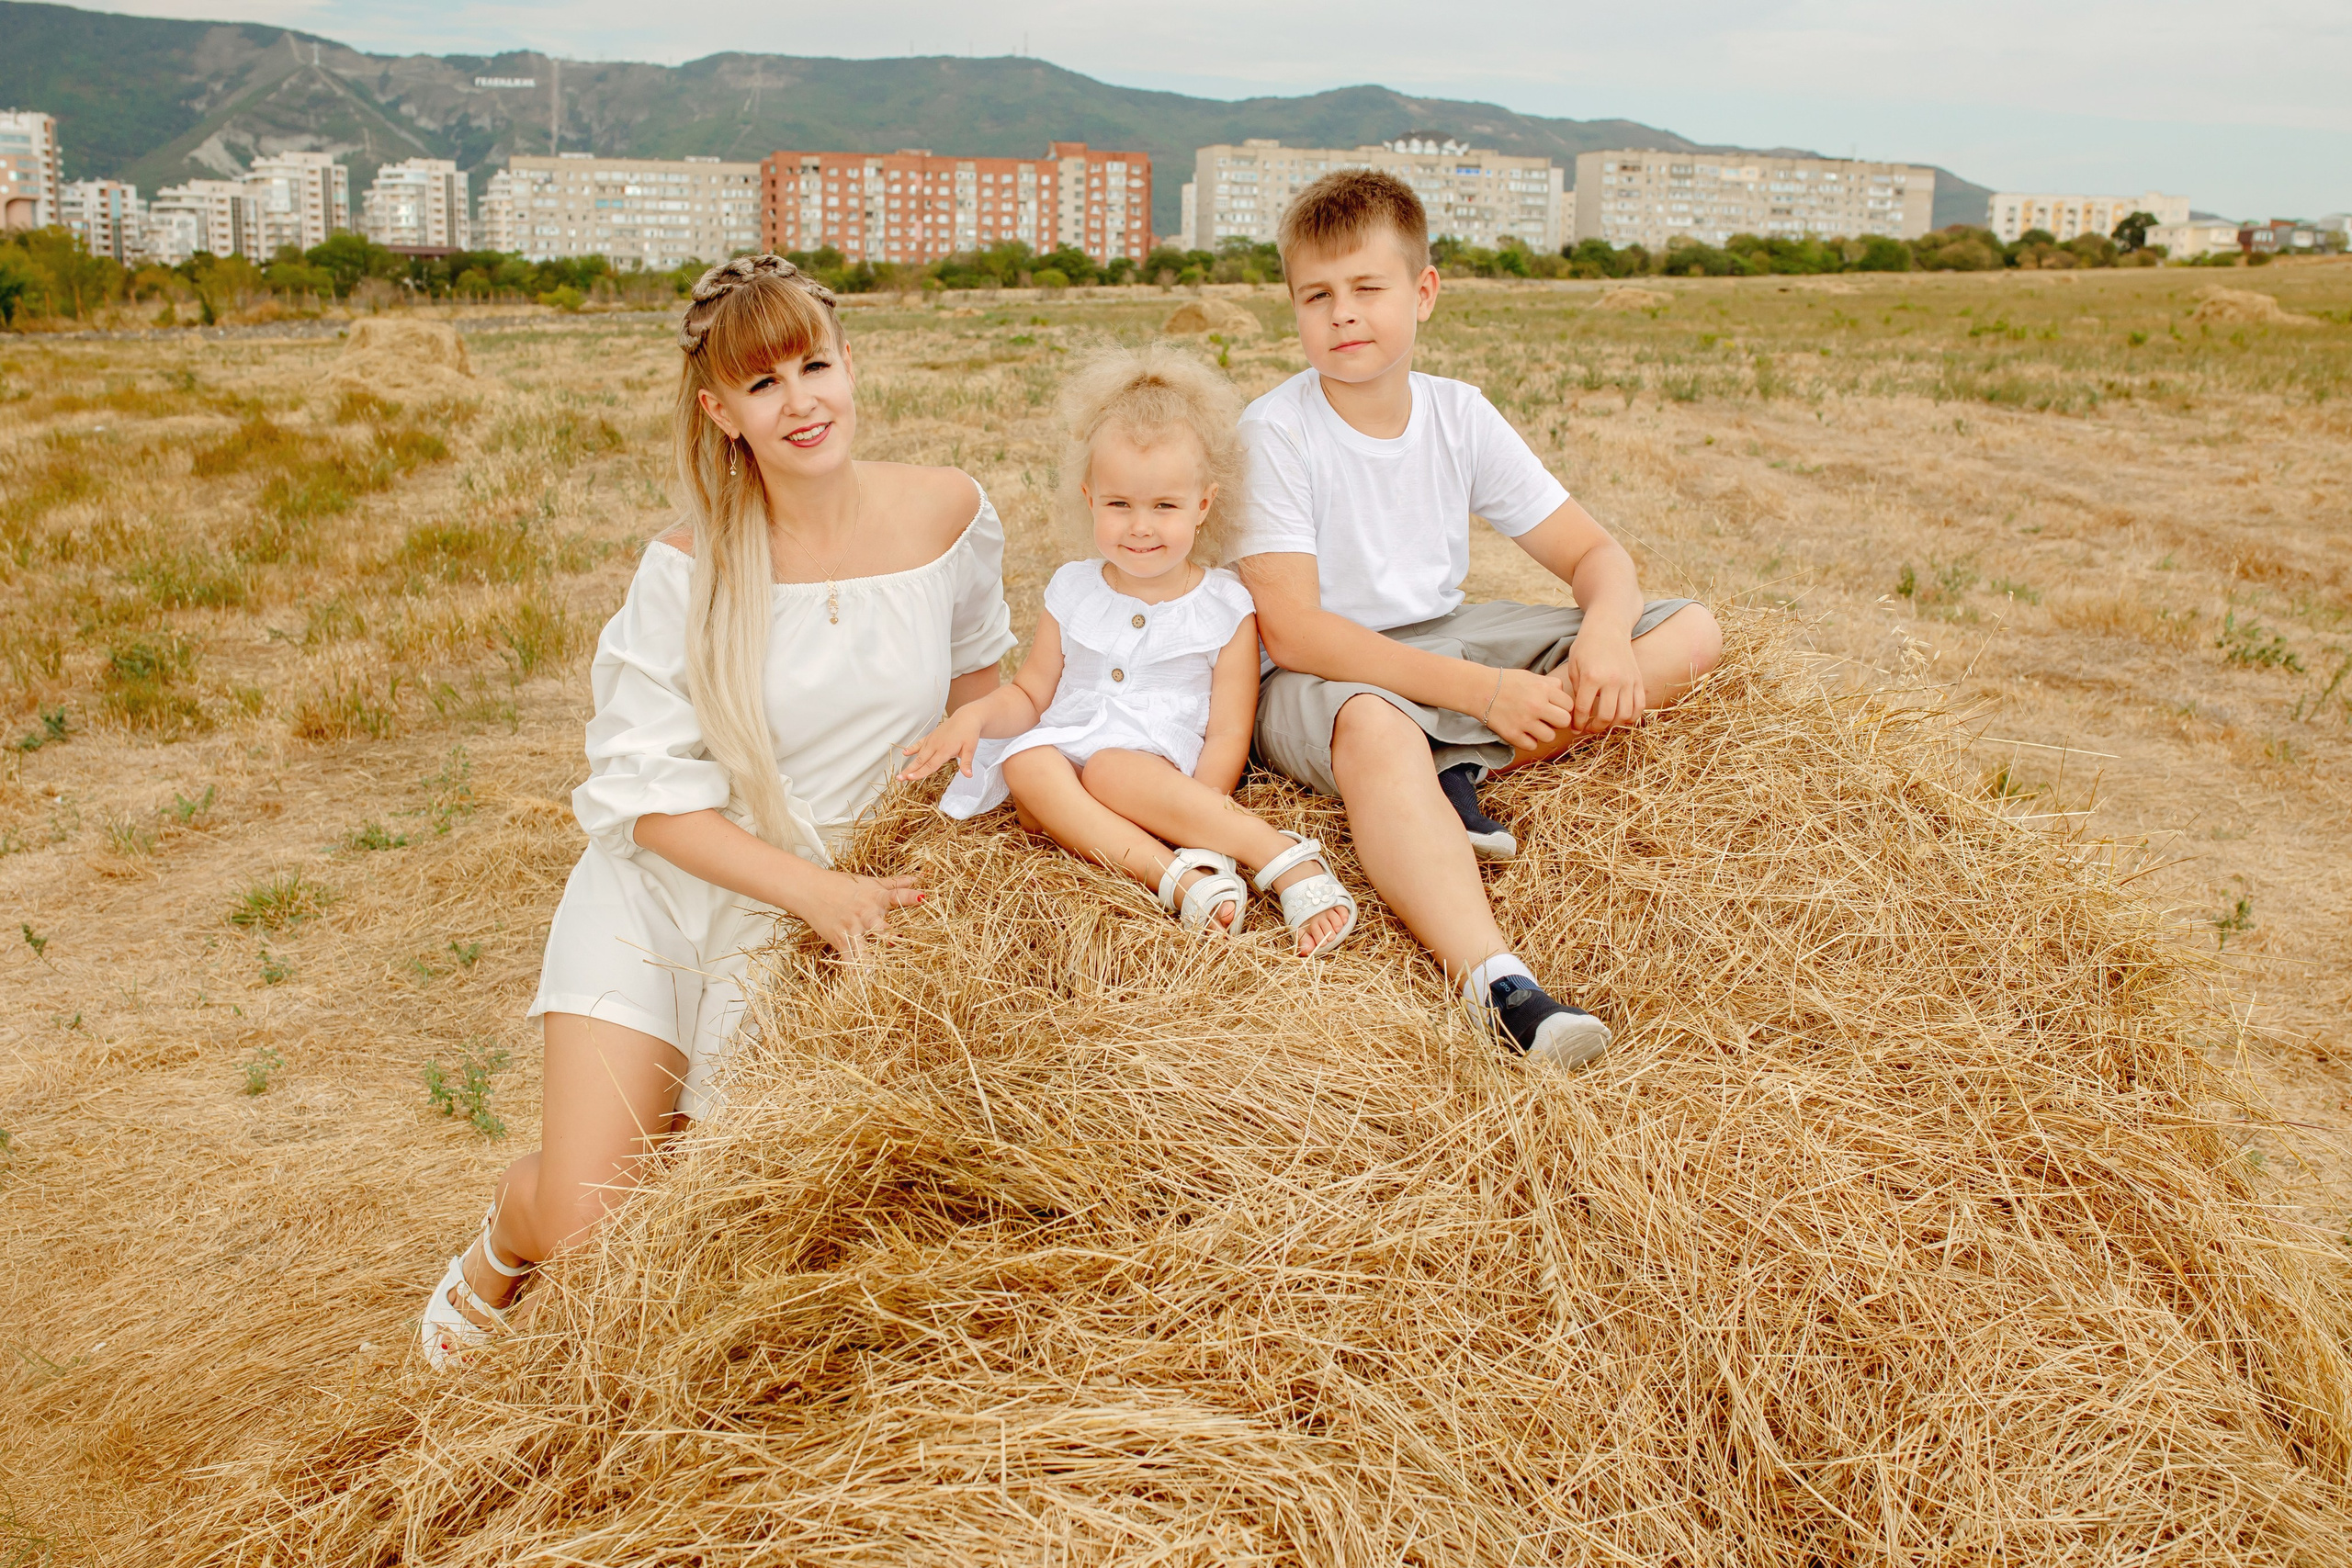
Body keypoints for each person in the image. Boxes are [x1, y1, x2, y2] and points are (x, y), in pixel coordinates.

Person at [418, 254, 1017, 1367]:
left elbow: (982, 684)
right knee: (594, 1226)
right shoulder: (686, 567)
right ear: (720, 412)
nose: (801, 403)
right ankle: (511, 1230)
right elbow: (641, 795)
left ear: (850, 363)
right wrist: (821, 893)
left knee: (702, 1227)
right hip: (671, 895)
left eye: (815, 365)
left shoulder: (949, 512)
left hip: (808, 921)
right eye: (763, 385)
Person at [1233, 170, 1724, 1067]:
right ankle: (1497, 984)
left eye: (1367, 289)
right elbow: (1296, 630)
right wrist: (1484, 691)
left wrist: (1605, 638)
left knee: (1690, 631)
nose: (1344, 314)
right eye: (1317, 295)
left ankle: (1453, 761)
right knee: (1379, 723)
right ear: (1294, 308)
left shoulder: (1459, 413)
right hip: (1316, 678)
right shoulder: (1275, 432)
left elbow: (1596, 559)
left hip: (1444, 634)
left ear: (1423, 294)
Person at [901, 345, 1355, 956]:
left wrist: (1201, 816)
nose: (1140, 526)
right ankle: (1175, 880)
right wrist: (977, 715)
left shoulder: (1224, 604)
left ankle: (1280, 857)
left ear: (1203, 504)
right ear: (1090, 498)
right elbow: (1033, 692)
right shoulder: (1073, 587)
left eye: (1164, 506)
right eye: (1120, 504)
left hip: (1157, 775)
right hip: (1071, 773)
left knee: (1114, 767)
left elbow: (1227, 731)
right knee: (1026, 763)